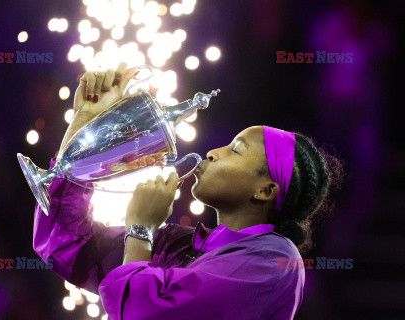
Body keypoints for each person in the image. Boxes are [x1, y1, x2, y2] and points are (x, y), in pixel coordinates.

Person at [32, 63, 343, 320]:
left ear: (265, 190)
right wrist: (86, 125)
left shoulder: (274, 263)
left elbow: (143, 313)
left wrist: (140, 229)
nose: (212, 153)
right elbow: (67, 247)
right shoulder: (182, 245)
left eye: (235, 151)